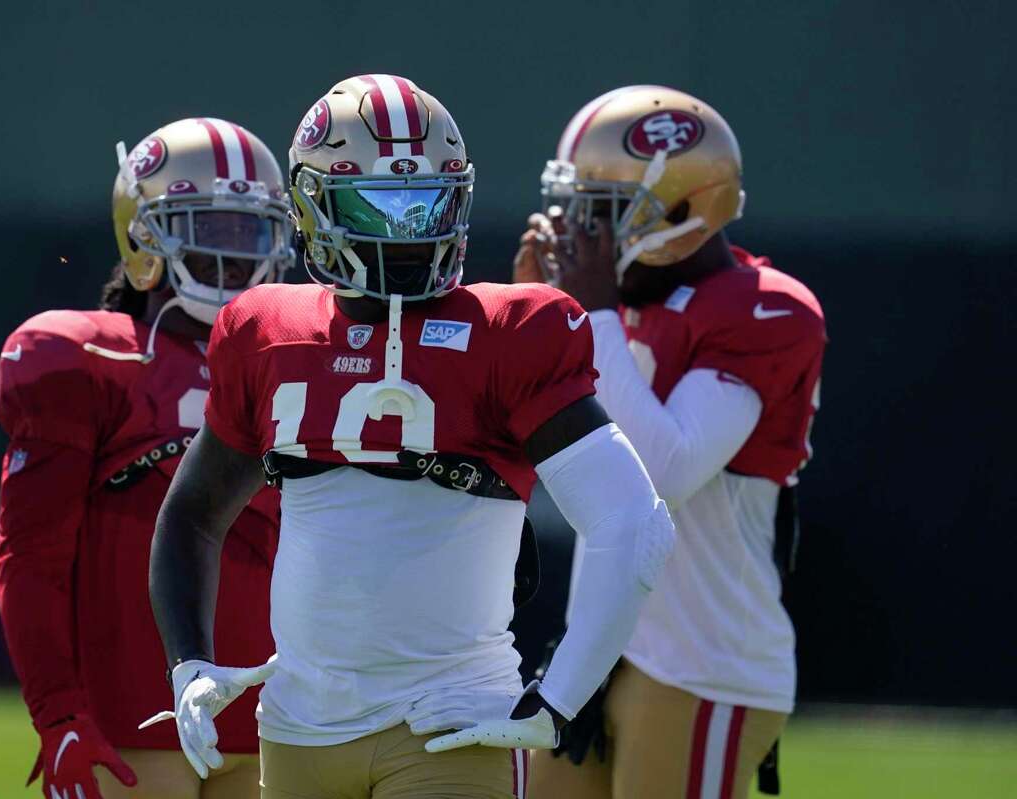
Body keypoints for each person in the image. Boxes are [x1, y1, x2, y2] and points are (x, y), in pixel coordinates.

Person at [141, 74, 676, 799]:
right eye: (378, 203)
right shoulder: (266, 328)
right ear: (311, 201)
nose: (407, 229)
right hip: (298, 726)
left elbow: (636, 525)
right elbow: (193, 515)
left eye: (426, 201)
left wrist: (559, 696)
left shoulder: (511, 332)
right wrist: (189, 662)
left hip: (447, 724)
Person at [515, 85, 826, 799]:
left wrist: (590, 311)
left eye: (601, 210)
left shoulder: (763, 307)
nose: (577, 230)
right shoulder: (622, 307)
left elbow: (662, 472)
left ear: (683, 206)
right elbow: (535, 457)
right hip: (600, 646)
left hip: (701, 659)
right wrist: (537, 322)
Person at [0, 117, 292, 799]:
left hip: (285, 729)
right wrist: (60, 714)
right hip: (132, 731)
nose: (236, 254)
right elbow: (32, 559)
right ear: (143, 236)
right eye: (209, 228)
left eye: (252, 230)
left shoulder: (300, 359)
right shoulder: (88, 358)